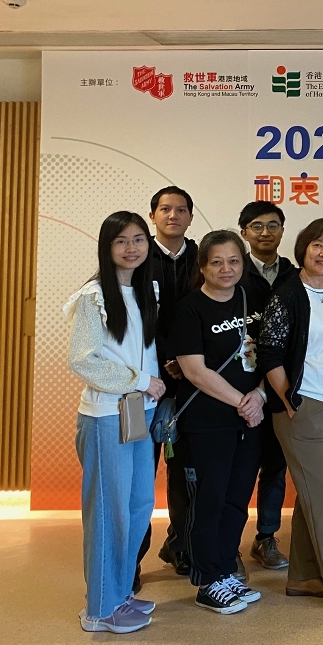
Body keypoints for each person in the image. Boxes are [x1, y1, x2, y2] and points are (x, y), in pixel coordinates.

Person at [256, 219, 323, 617]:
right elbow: (268, 352)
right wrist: (289, 399)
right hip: (302, 408)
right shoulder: (288, 294)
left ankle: (303, 576)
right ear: (303, 249)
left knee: (314, 496)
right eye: (318, 245)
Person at [67, 212, 164, 633]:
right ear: (107, 247)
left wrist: (155, 381)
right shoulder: (93, 297)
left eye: (139, 239)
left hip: (140, 411)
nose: (131, 248)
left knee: (139, 505)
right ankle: (99, 610)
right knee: (109, 512)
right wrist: (142, 380)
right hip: (107, 415)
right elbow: (83, 361)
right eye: (121, 240)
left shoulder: (146, 291)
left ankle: (120, 592)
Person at [170, 230, 267, 614]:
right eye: (216, 262)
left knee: (237, 499)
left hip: (250, 420)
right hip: (207, 422)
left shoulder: (253, 300)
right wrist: (242, 402)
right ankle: (206, 579)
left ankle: (226, 569)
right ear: (203, 266)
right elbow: (194, 371)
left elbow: (273, 354)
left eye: (233, 261)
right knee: (208, 499)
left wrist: (259, 397)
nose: (226, 269)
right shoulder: (189, 308)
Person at [139, 186, 197, 582]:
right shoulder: (138, 255)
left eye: (180, 209)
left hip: (192, 383)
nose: (172, 215)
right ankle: (132, 558)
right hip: (146, 383)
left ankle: (180, 544)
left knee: (185, 473)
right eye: (164, 209)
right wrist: (164, 362)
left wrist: (185, 361)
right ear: (153, 215)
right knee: (140, 476)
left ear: (190, 216)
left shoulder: (202, 258)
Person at [238, 200, 296, 573]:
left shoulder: (294, 273)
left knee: (275, 467)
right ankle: (229, 543)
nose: (265, 232)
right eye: (257, 226)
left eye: (273, 225)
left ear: (282, 230)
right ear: (244, 232)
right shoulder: (232, 269)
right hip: (239, 390)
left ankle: (266, 538)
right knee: (240, 470)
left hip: (279, 386)